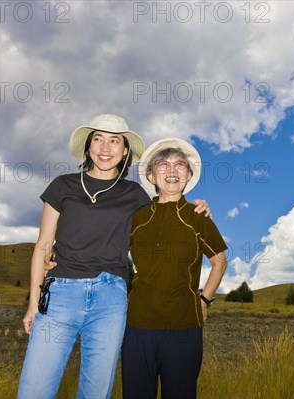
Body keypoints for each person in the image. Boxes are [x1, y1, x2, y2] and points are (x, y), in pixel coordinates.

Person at [17, 115, 210, 399]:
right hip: (60, 295)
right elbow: (44, 244)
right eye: (98, 139)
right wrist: (34, 303)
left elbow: (169, 212)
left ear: (124, 152)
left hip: (110, 299)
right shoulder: (62, 186)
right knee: (34, 389)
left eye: (114, 141)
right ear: (88, 147)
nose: (105, 147)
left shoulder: (135, 195)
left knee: (95, 392)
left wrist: (200, 209)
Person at [121, 138, 228, 399]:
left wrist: (205, 300)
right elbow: (110, 252)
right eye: (163, 164)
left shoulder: (197, 216)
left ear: (189, 176)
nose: (172, 171)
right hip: (136, 326)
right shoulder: (137, 217)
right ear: (150, 175)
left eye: (180, 165)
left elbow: (220, 261)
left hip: (184, 328)